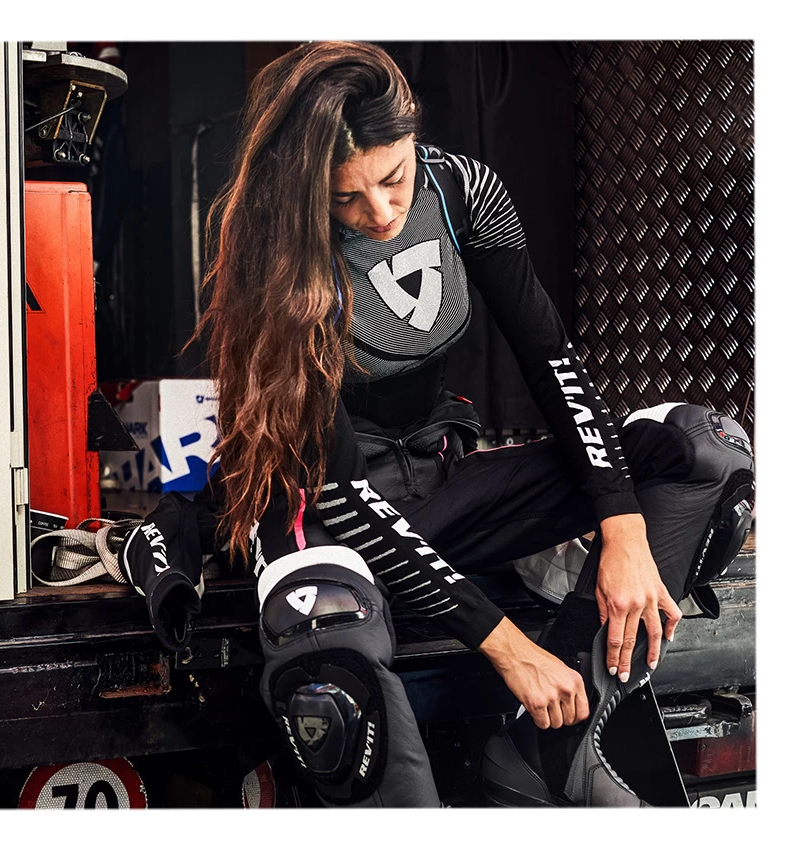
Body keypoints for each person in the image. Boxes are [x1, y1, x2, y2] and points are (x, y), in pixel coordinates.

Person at [121, 41, 754, 807]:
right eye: (345, 198)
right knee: (328, 650)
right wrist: (507, 646)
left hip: (441, 481)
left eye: (392, 178)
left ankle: (555, 750)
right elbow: (344, 500)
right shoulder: (279, 254)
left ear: (414, 132)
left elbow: (552, 362)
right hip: (329, 513)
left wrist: (623, 530)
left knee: (704, 452)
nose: (380, 213)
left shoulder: (463, 192)